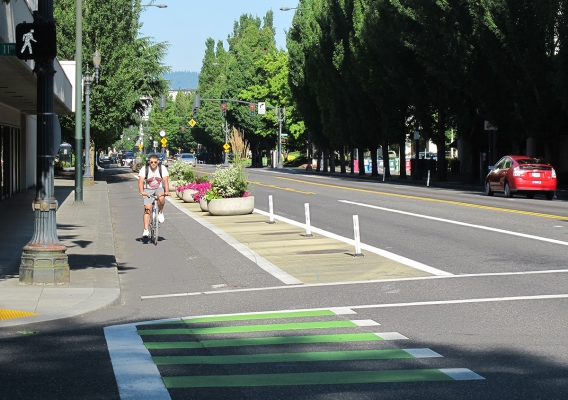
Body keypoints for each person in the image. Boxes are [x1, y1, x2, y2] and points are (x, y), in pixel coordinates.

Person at [138, 154, 170, 237]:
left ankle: (160, 212)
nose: (153, 164)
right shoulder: (144, 169)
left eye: (155, 162)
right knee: (147, 209)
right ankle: (145, 230)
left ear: (158, 162)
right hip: (148, 189)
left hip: (158, 188)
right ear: (149, 162)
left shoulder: (162, 168)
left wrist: (167, 191)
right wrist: (142, 191)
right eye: (151, 162)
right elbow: (141, 181)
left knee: (161, 198)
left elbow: (165, 181)